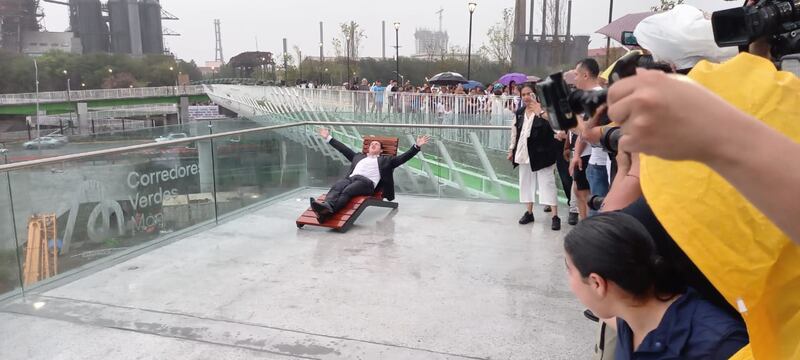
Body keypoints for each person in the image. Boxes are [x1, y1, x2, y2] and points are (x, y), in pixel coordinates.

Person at [564, 212, 749, 359]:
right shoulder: (629, 318)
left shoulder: (721, 346)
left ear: (597, 283)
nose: (569, 281)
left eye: (569, 270)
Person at [310, 127, 430, 223]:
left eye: (376, 144)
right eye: (371, 144)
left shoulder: (386, 161)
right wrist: (328, 138)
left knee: (348, 191)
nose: (373, 145)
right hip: (351, 179)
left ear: (381, 151)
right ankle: (326, 206)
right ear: (367, 149)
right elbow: (343, 149)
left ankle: (329, 210)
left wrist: (416, 146)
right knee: (337, 186)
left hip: (366, 183)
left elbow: (403, 158)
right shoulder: (357, 156)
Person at [508, 85, 562, 230]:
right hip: (524, 153)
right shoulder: (519, 113)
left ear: (535, 95)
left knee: (547, 183)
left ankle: (555, 216)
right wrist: (511, 149)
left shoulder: (544, 110)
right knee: (525, 182)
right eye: (523, 94)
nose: (526, 97)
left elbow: (557, 126)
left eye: (529, 94)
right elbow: (515, 132)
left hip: (543, 153)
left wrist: (541, 112)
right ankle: (529, 212)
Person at [573, 58, 610, 213]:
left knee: (596, 207)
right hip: (592, 158)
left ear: (586, 75)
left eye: (576, 74)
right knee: (582, 194)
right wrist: (576, 154)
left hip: (600, 161)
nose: (575, 78)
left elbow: (585, 132)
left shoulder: (596, 98)